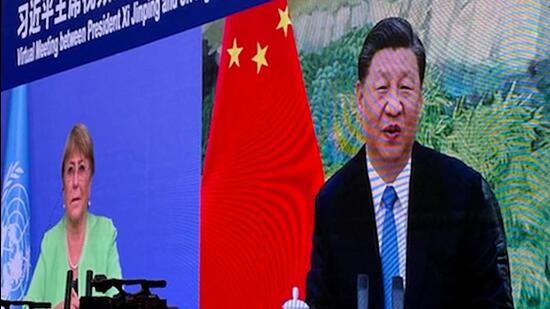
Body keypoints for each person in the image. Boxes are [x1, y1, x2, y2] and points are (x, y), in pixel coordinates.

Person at [306, 17, 513, 309]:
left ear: (421, 98)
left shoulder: (463, 195)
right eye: (381, 89)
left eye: (405, 88)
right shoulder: (333, 203)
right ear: (360, 96)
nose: (394, 106)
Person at [26, 123, 122, 309]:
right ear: (63, 184)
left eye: (82, 169)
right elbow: (26, 307)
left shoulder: (106, 232)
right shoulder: (50, 242)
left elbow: (118, 303)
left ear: (90, 182)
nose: (76, 182)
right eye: (70, 170)